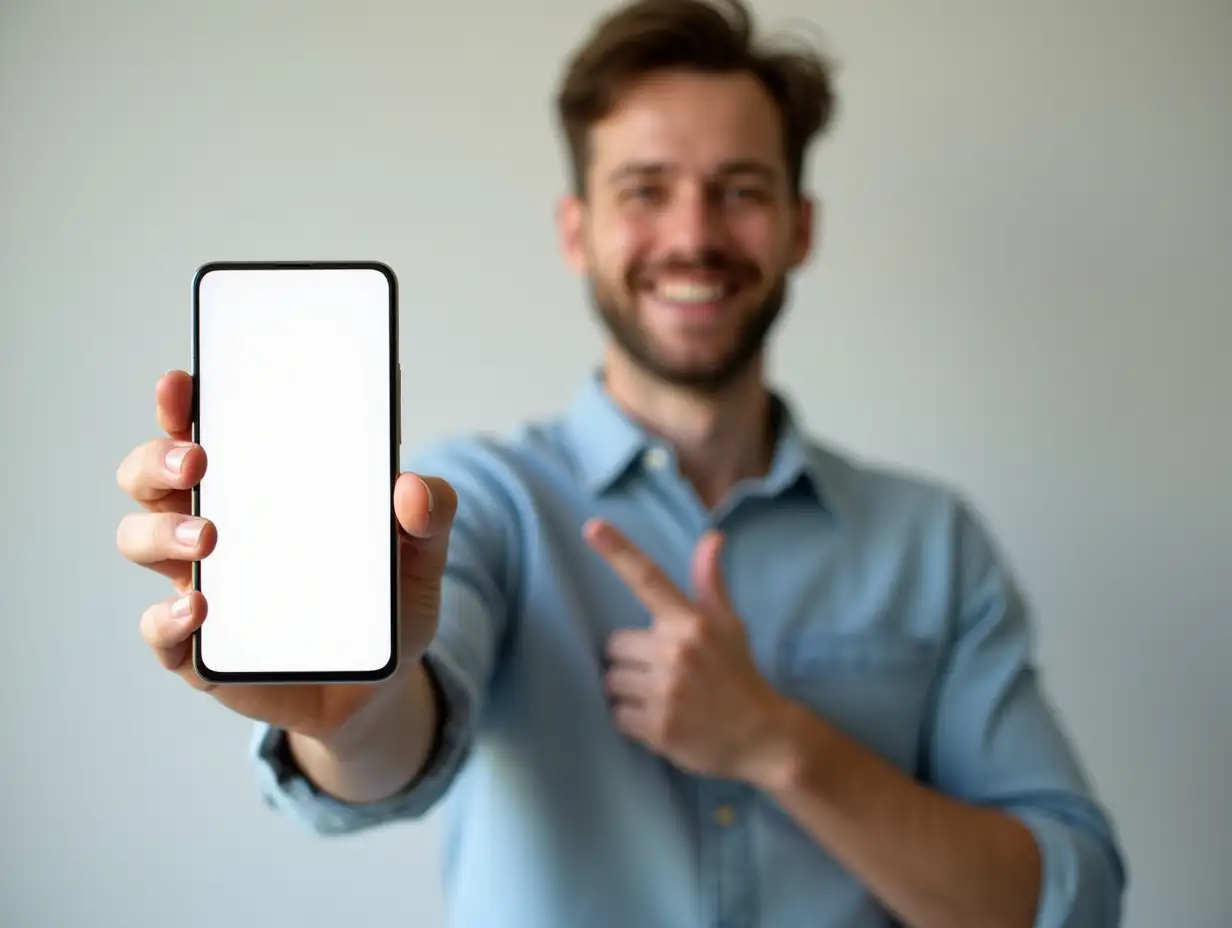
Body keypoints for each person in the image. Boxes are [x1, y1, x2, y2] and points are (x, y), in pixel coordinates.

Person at [115, 0, 1127, 925]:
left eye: (738, 191)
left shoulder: (929, 543)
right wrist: (344, 714)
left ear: (797, 228)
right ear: (577, 231)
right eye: (645, 191)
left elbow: (1063, 897)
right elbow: (387, 746)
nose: (691, 236)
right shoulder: (476, 505)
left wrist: (777, 744)